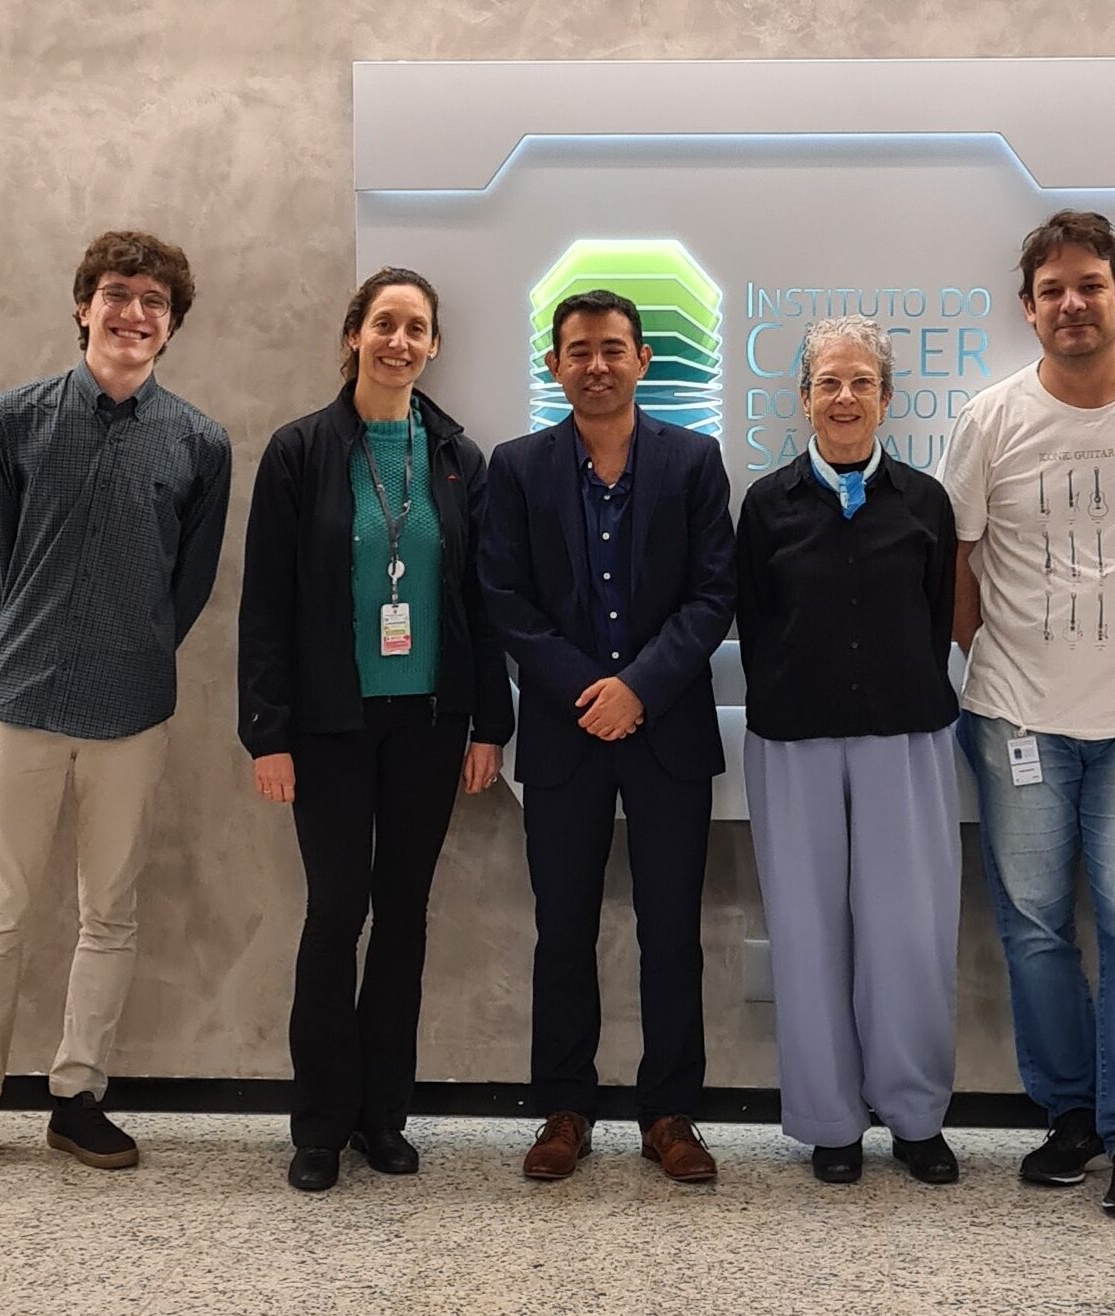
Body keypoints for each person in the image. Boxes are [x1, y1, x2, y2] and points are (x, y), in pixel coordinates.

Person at [0, 231, 232, 1181]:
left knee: (112, 912)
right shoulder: (11, 421)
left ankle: (76, 1095)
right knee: (0, 909)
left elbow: (188, 587)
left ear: (171, 324)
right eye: (116, 294)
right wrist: (49, 636)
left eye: (152, 302)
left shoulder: (199, 442)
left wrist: (131, 651)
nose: (133, 313)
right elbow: (1, 560)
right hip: (20, 697)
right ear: (82, 305)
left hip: (133, 709)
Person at [939, 210, 1115, 1217]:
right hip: (1016, 715)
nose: (1072, 303)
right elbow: (957, 560)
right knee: (1032, 924)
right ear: (1027, 308)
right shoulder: (992, 418)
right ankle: (1072, 1115)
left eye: (1090, 284)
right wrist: (999, 661)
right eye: (1052, 289)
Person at [238, 268, 514, 1192]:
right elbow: (265, 607)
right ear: (354, 333)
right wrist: (265, 733)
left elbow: (481, 601)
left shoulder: (456, 461)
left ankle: (381, 1119)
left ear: (434, 348)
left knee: (403, 919)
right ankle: (317, 1125)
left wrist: (488, 726)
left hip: (430, 723)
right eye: (383, 323)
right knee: (333, 915)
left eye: (417, 328)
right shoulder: (300, 452)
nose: (399, 341)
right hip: (328, 725)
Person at [480, 289, 736, 1183]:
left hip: (665, 732)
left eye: (613, 349)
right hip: (563, 733)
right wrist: (588, 690)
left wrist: (639, 688)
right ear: (554, 365)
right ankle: (563, 1108)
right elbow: (502, 600)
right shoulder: (514, 468)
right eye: (578, 350)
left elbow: (713, 596)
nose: (596, 364)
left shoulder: (695, 461)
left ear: (642, 360)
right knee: (563, 929)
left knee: (672, 932)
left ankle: (670, 1115)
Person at [736, 317, 963, 1185]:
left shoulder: (924, 502)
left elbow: (937, 612)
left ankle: (914, 1119)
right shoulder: (766, 505)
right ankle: (831, 1123)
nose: (843, 397)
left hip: (905, 737)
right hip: (793, 741)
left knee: (908, 934)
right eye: (827, 382)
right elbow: (755, 623)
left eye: (860, 382)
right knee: (806, 932)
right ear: (802, 399)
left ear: (886, 398)